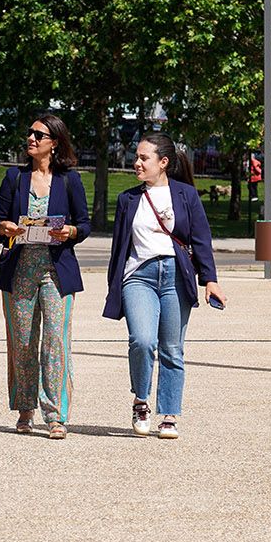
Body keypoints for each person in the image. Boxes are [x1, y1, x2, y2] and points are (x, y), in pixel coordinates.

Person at [103, 132, 226, 439]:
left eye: (144, 158)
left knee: (172, 348)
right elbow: (120, 248)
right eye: (137, 157)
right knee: (142, 341)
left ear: (164, 162)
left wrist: (209, 280)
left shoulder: (185, 195)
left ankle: (169, 413)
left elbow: (201, 239)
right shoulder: (127, 199)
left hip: (175, 276)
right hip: (139, 277)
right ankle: (141, 400)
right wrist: (114, 287)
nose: (137, 163)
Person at [0, 114, 91, 438]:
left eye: (39, 134)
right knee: (22, 342)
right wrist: (4, 228)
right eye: (30, 133)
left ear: (54, 143)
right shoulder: (14, 178)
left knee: (55, 342)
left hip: (56, 271)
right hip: (19, 271)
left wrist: (71, 231)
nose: (31, 139)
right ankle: (24, 409)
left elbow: (85, 225)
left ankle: (55, 414)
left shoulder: (69, 180)